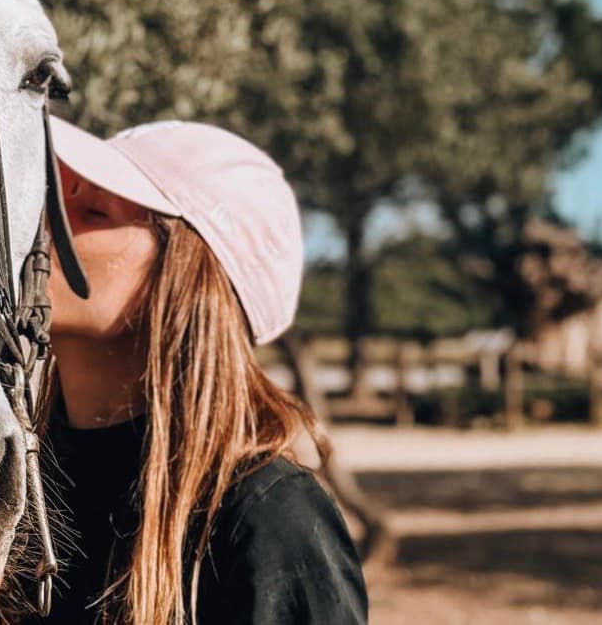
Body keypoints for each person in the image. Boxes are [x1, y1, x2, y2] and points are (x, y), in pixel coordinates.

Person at [43, 118, 368, 625]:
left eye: (91, 209)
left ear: (184, 282)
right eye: (53, 194)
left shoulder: (266, 520)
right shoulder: (9, 493)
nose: (47, 221)